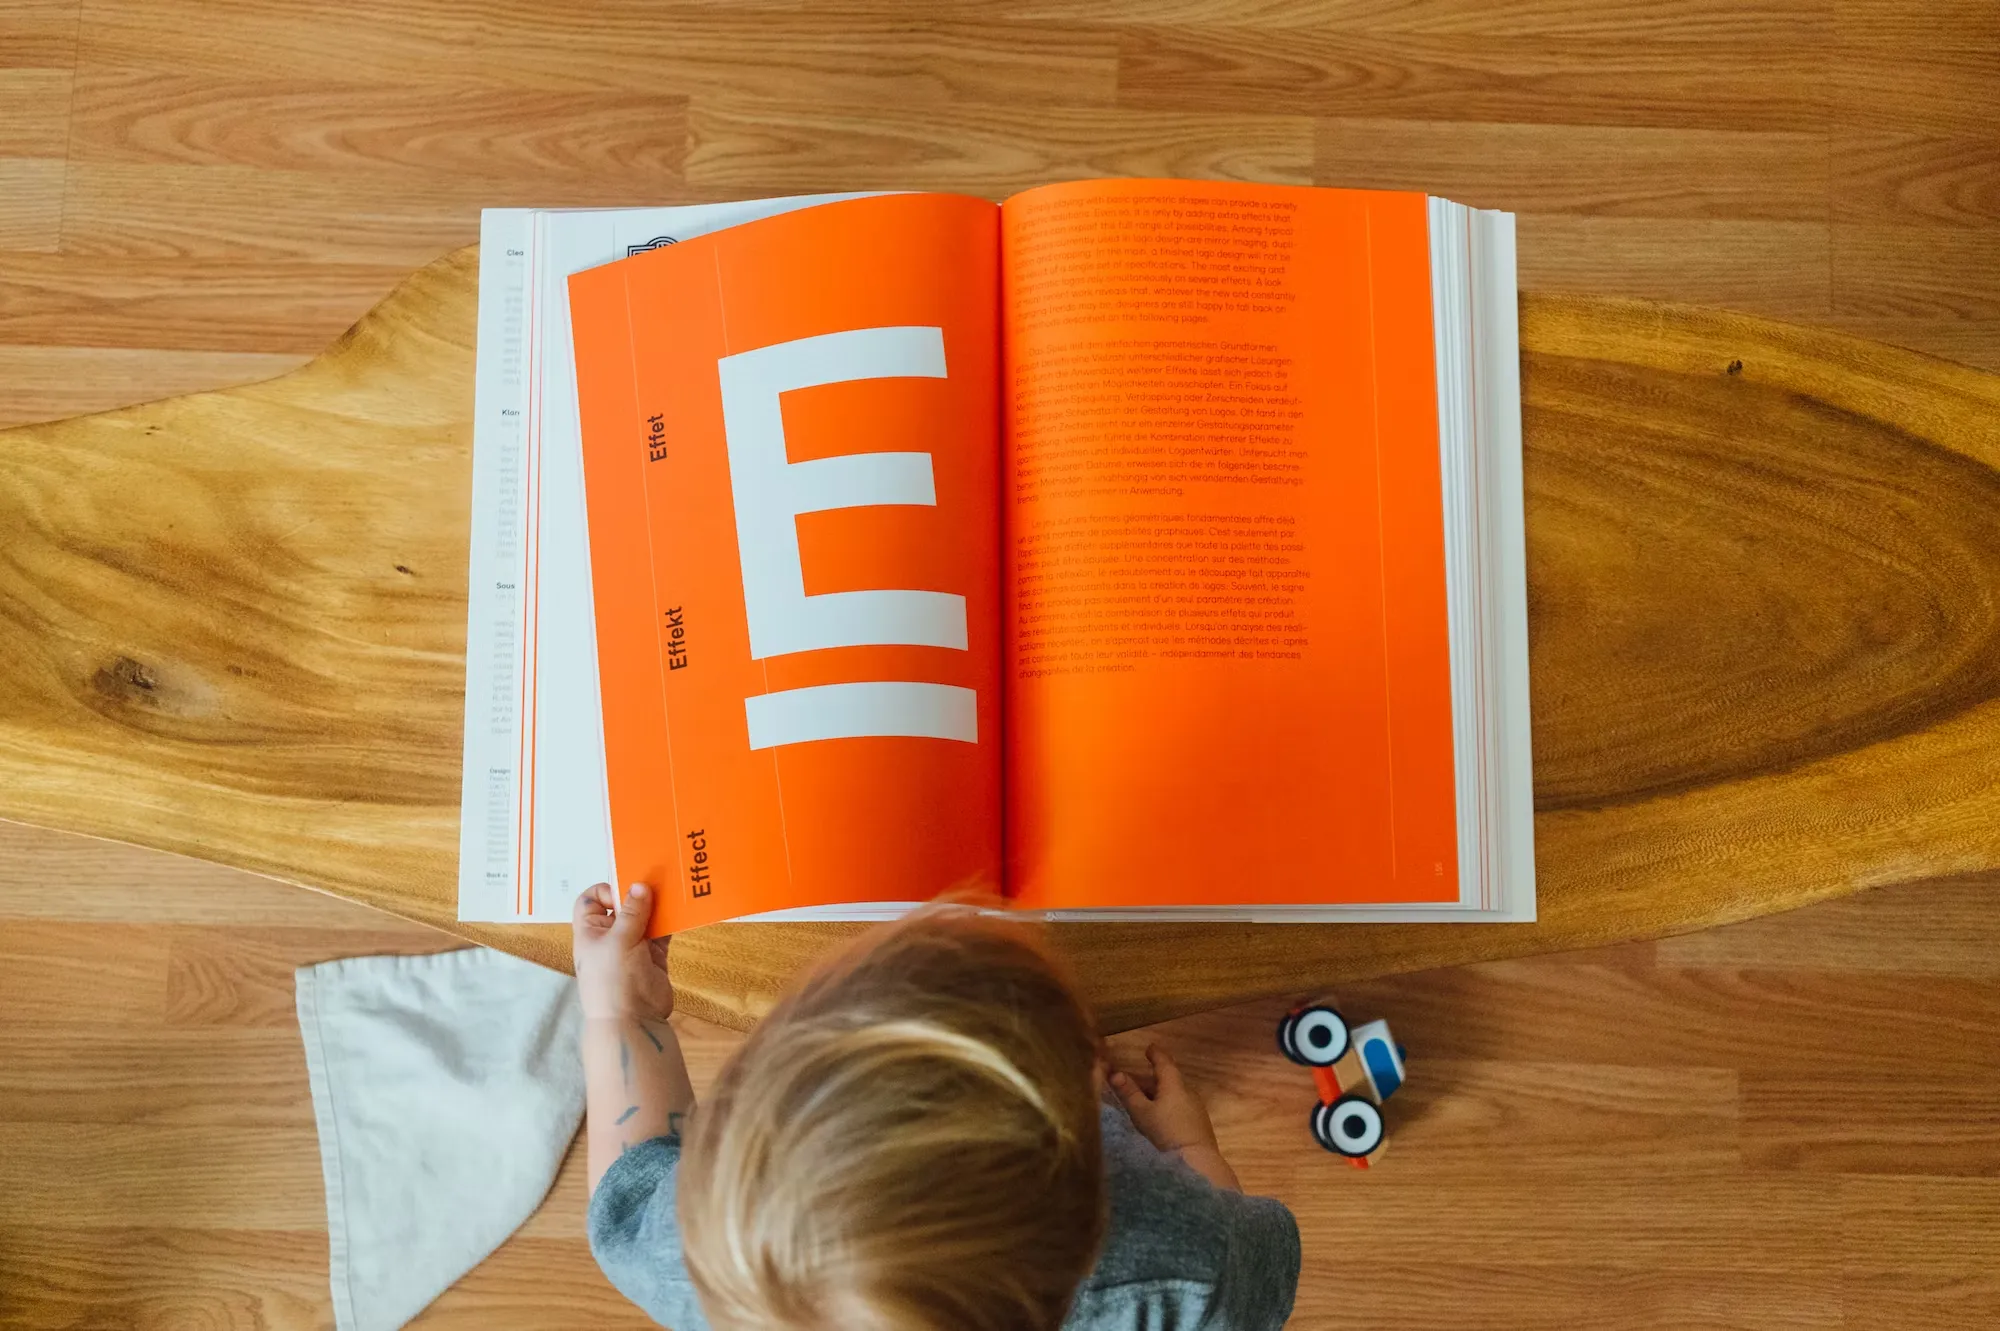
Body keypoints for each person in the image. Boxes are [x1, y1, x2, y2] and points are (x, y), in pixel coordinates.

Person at [575, 881, 1300, 1331]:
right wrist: (1190, 1153)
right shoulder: (1175, 1267)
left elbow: (627, 1185)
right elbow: (1246, 1289)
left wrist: (620, 1010)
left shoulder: (702, 1264)